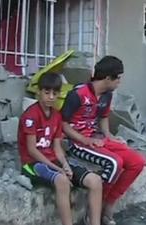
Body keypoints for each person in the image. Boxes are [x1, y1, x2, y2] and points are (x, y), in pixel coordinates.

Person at [61, 56, 146, 225]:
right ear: (108, 78)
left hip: (96, 138)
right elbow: (63, 125)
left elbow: (103, 117)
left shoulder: (107, 95)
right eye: (119, 78)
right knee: (115, 163)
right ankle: (95, 211)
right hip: (77, 142)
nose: (119, 82)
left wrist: (110, 137)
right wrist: (85, 139)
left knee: (137, 162)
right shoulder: (77, 94)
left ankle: (109, 202)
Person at [18, 72, 103, 225]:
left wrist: (64, 165)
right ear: (38, 92)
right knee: (62, 181)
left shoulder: (57, 116)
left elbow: (57, 147)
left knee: (95, 181)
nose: (51, 97)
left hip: (53, 160)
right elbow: (32, 150)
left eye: (54, 93)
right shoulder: (30, 116)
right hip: (32, 163)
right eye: (47, 92)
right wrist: (57, 169)